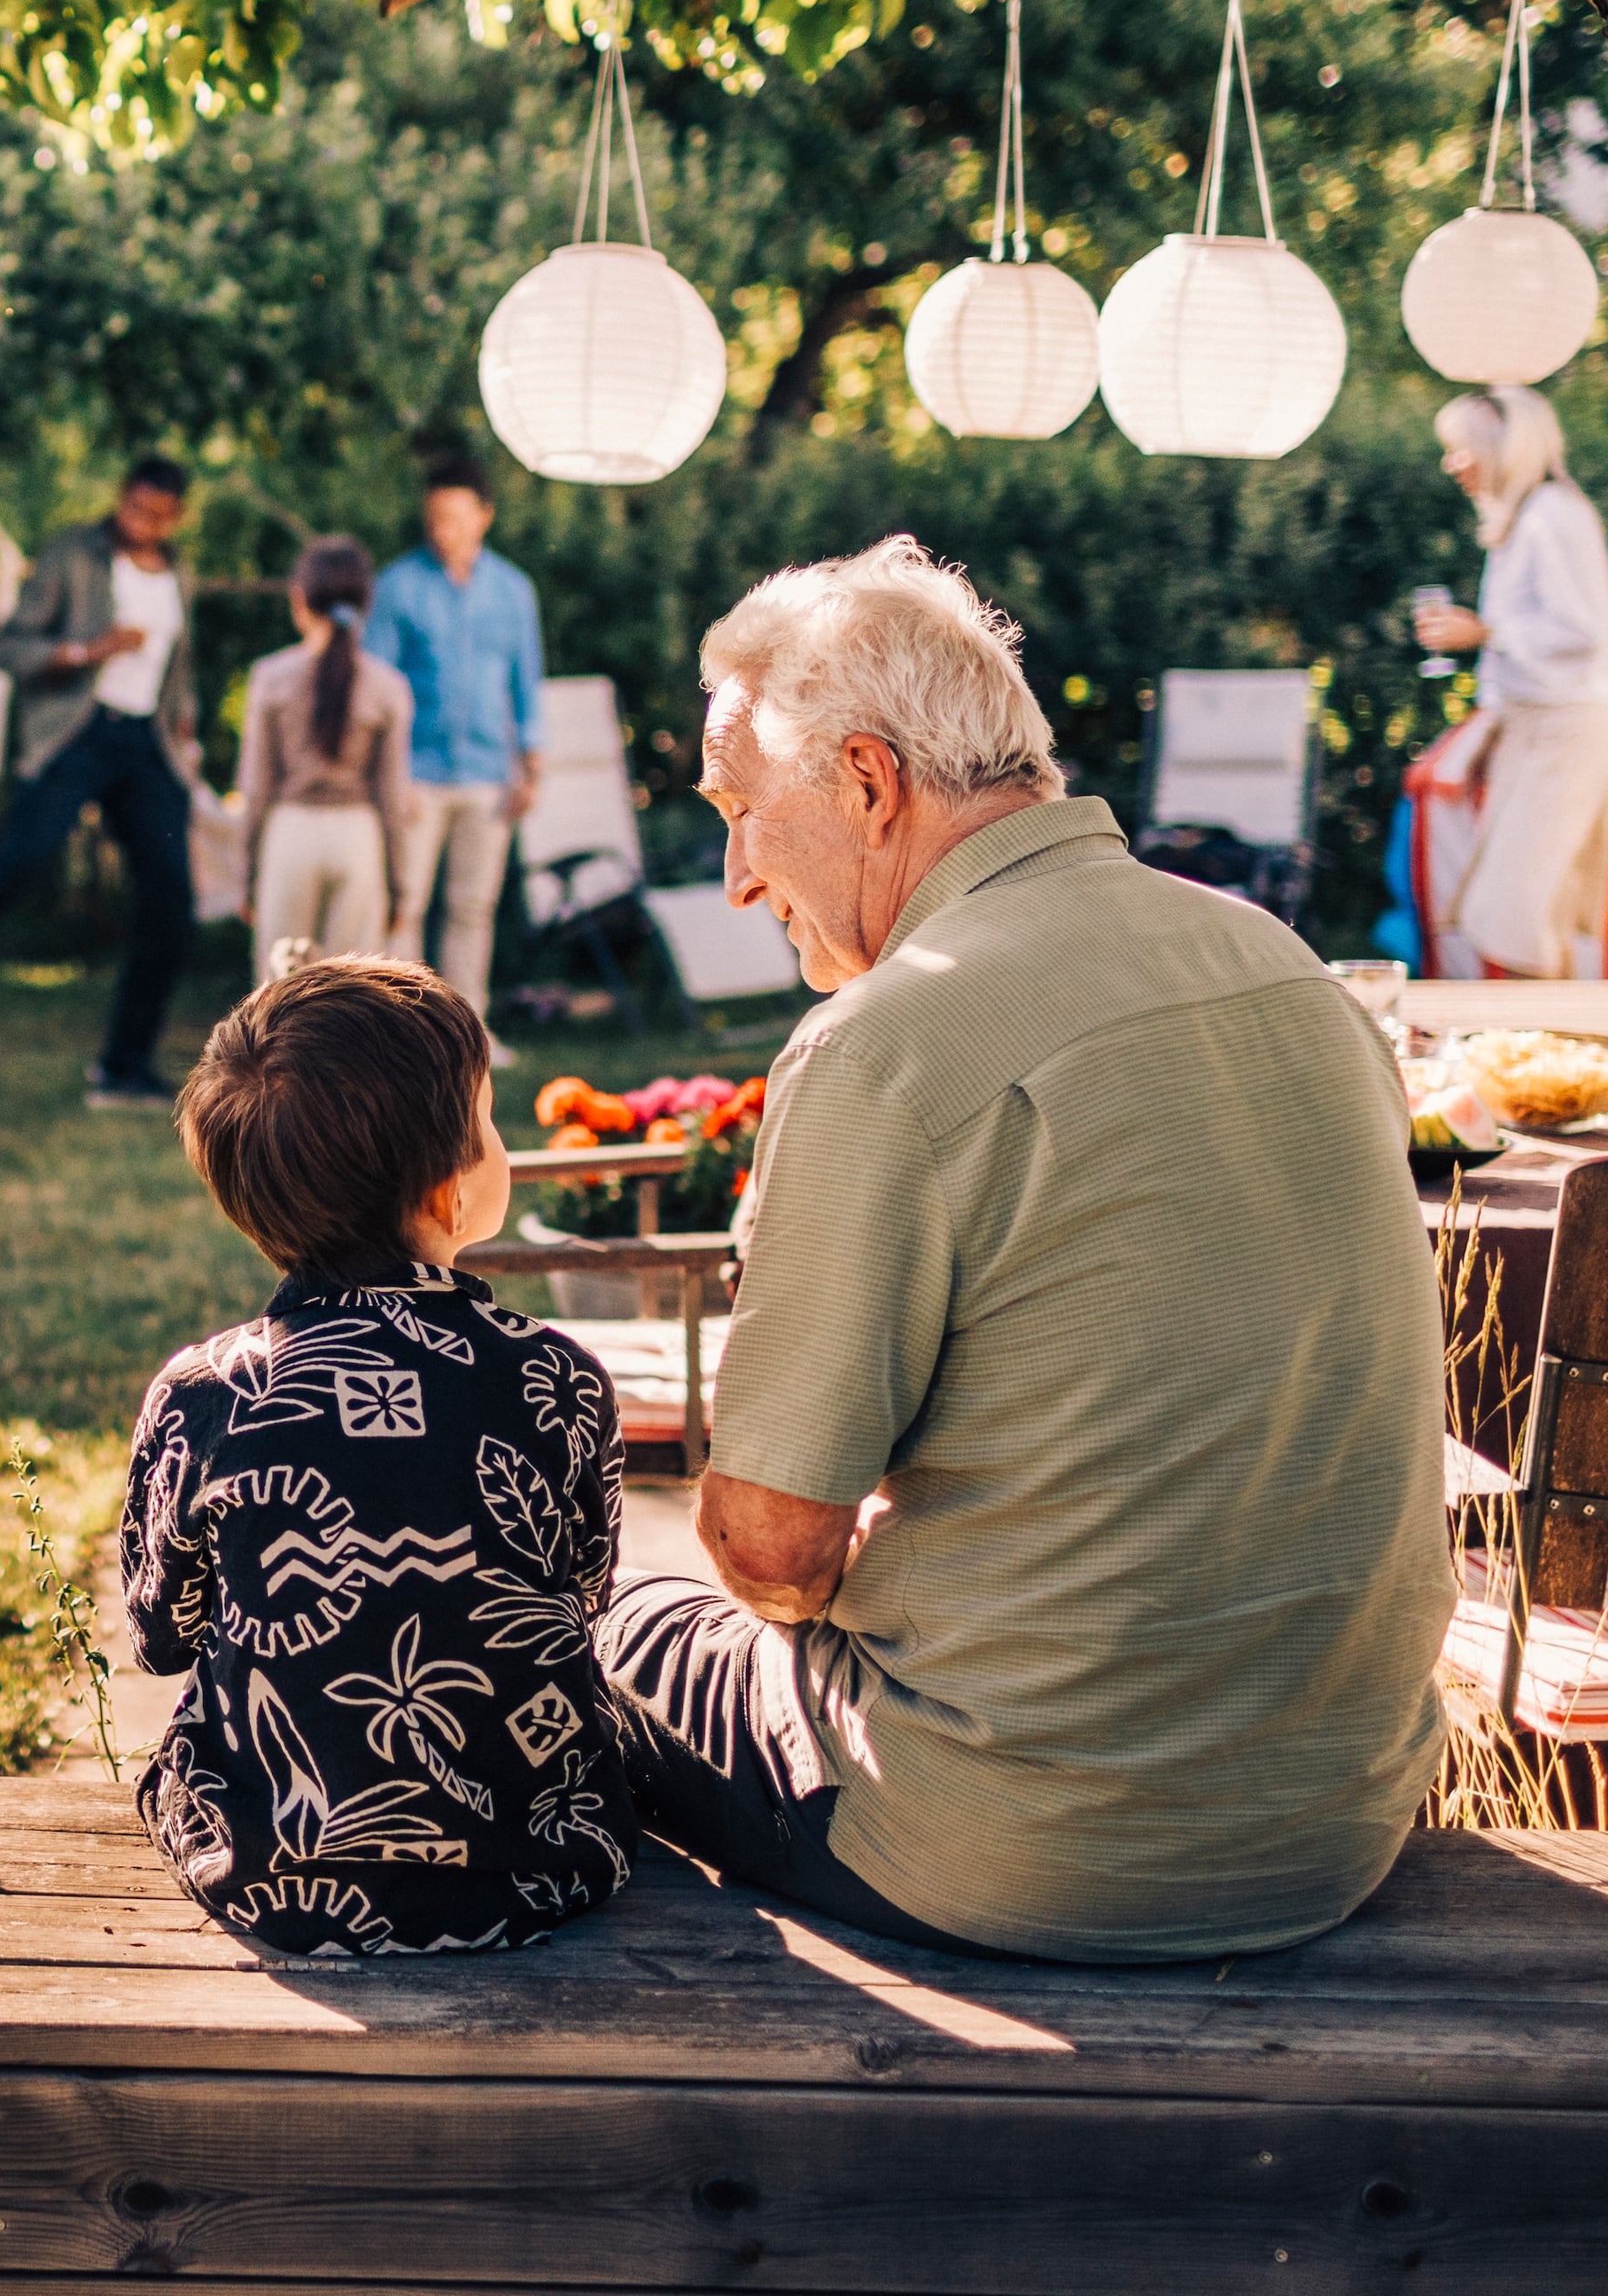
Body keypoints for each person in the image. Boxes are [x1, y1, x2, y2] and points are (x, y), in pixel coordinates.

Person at [596, 536, 1447, 1963]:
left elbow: (770, 1545)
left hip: (1025, 1848)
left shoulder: (881, 1043)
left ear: (870, 783)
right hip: (1341, 1817)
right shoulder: (1289, 968)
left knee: (617, 1616)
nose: (737, 877)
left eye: (742, 812)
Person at [125, 956, 632, 1955]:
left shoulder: (201, 1395)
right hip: (546, 1861)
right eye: (489, 1117)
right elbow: (579, 1595)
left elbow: (161, 1637)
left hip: (272, 1874)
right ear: (449, 1192)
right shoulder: (558, 1377)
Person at [0, 455, 200, 1107]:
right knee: (19, 862)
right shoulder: (72, 554)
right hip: (76, 735)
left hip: (147, 743)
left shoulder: (179, 572)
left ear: (177, 517)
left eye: (159, 516)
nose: (143, 523)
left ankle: (124, 1066)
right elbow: (8, 647)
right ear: (120, 497)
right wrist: (86, 651)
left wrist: (185, 727)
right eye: (135, 508)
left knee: (172, 899)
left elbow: (179, 669)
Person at [1416, 385, 1608, 979]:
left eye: (1460, 449)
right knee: (1528, 911)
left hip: (1567, 734)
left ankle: (1539, 1031)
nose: (1451, 464)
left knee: (1520, 909)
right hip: (1534, 730)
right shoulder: (1524, 518)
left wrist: (1485, 632)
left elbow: (1586, 629)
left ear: (1502, 449)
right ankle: (1545, 1031)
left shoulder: (1554, 516)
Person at [364, 455, 547, 1039]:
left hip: (489, 772)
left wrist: (530, 765)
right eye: (435, 517)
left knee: (473, 909)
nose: (443, 529)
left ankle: (469, 1034)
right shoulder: (396, 586)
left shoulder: (513, 590)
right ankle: (403, 1034)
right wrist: (390, 776)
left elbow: (525, 680)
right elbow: (377, 685)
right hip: (416, 773)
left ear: (483, 516)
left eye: (455, 517)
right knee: (406, 904)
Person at [234, 536, 417, 978]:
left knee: (279, 992)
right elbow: (393, 796)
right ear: (366, 604)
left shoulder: (270, 677)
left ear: (299, 599)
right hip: (359, 838)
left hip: (290, 834)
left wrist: (247, 875)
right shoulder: (388, 686)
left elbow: (256, 787)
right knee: (352, 994)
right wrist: (399, 888)